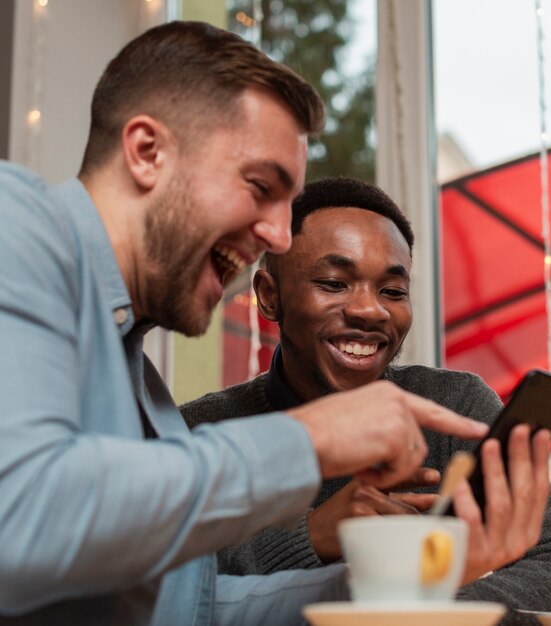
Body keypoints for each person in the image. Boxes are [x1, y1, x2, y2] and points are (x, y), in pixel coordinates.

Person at [0, 22, 491, 626]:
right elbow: (21, 514)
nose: (279, 236)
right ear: (147, 152)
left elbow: (192, 609)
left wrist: (411, 579)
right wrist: (310, 440)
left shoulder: (145, 392)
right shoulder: (15, 223)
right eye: (260, 186)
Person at [181, 176, 551, 624]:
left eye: (393, 291)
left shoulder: (454, 406)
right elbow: (158, 592)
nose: (370, 310)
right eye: (334, 283)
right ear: (268, 295)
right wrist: (313, 536)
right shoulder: (199, 431)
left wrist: (423, 608)